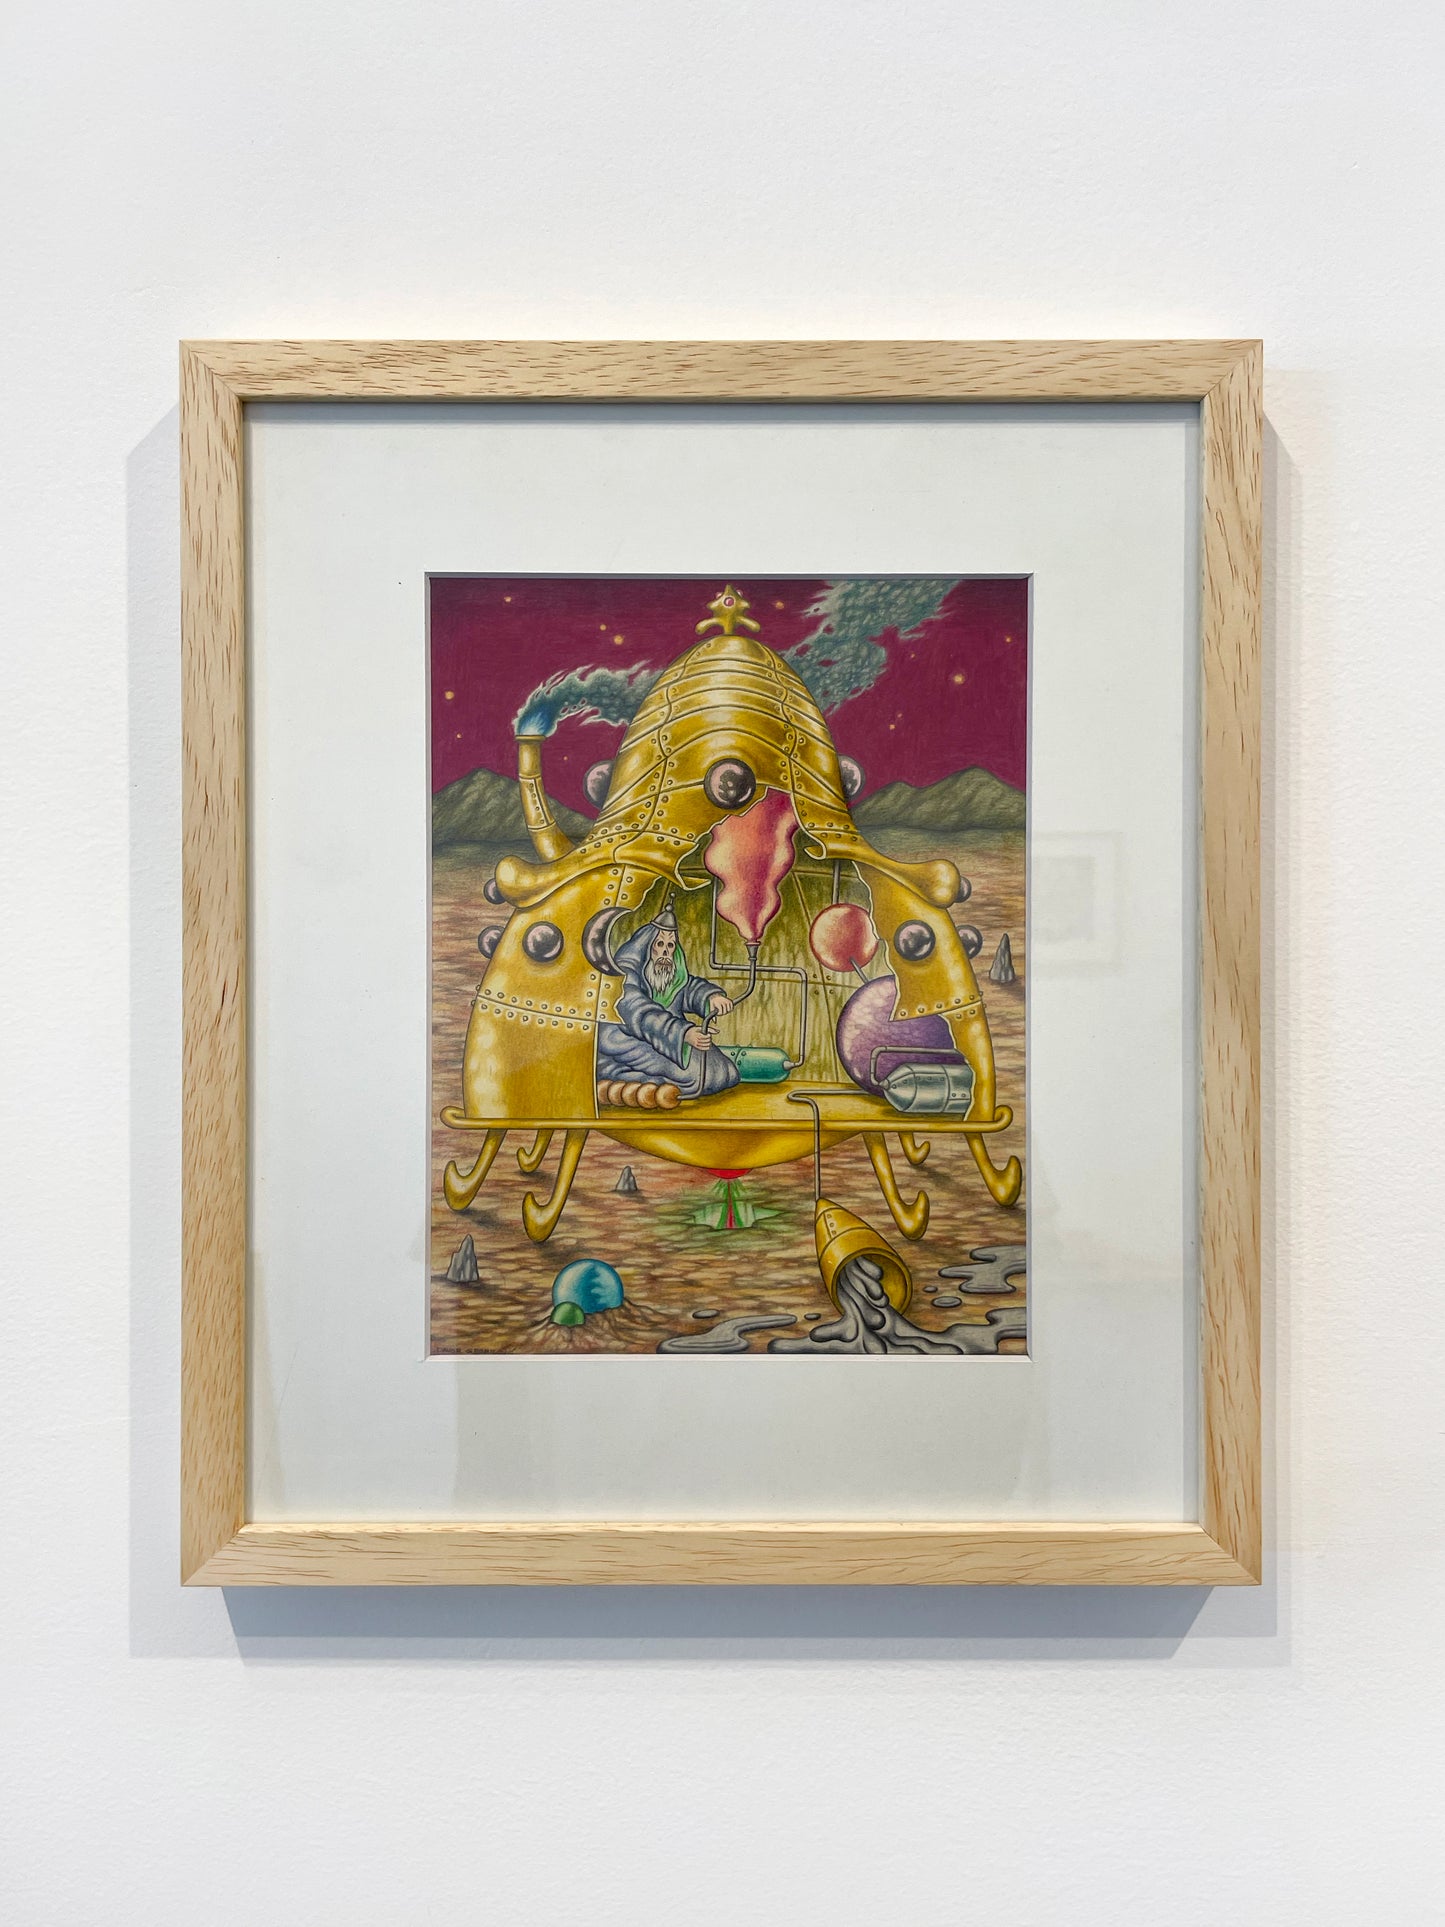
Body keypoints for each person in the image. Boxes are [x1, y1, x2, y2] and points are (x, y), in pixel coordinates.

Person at [595, 904, 739, 1102]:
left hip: (667, 1038)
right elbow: (641, 1013)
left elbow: (688, 987)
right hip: (626, 1041)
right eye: (660, 944)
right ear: (647, 946)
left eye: (670, 946)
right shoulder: (624, 974)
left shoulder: (670, 972)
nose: (665, 951)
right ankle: (618, 1074)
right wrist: (684, 1033)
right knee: (697, 1077)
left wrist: (711, 997)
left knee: (725, 1071)